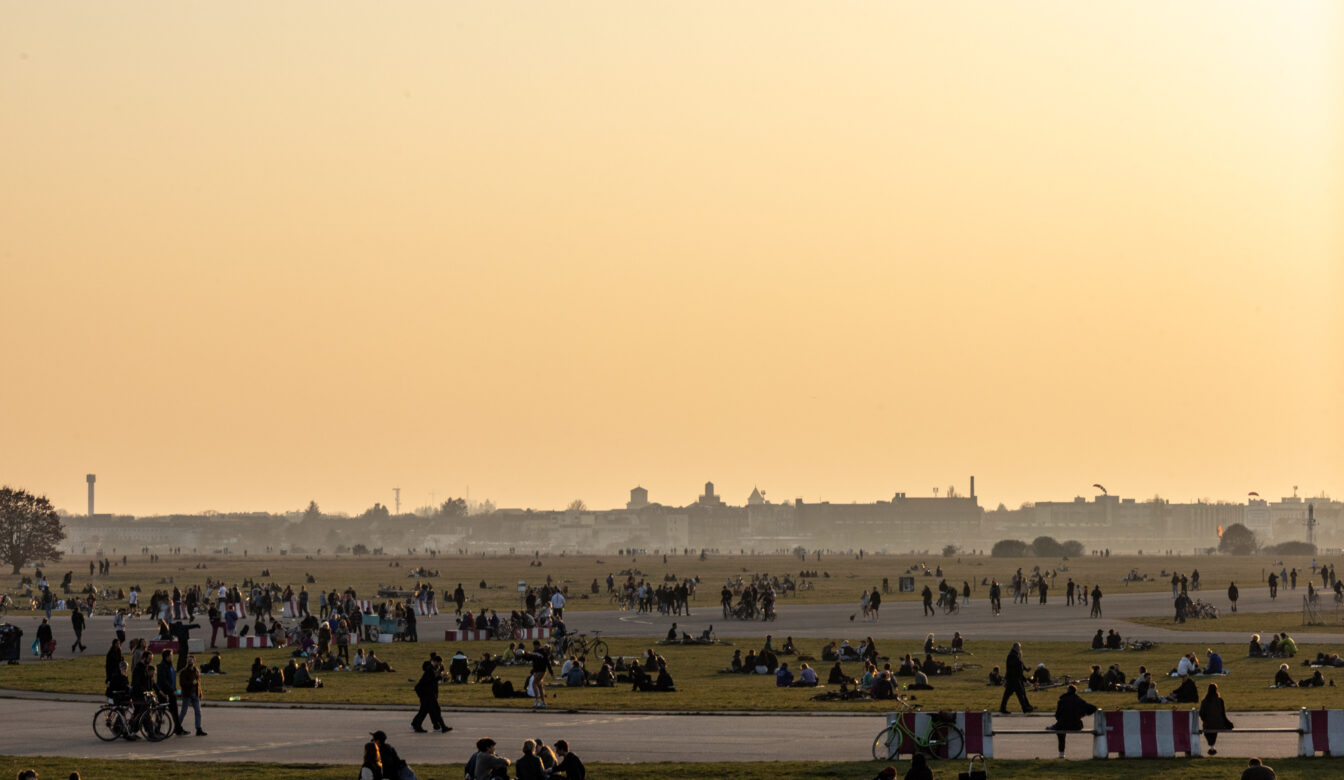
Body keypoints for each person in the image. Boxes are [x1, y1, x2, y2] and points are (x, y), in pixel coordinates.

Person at [1048, 684, 1097, 758]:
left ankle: (1061, 753)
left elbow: (1057, 715)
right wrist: (1083, 714)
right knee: (1062, 726)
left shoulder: (1062, 700)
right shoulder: (1079, 701)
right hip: (1076, 725)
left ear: (1067, 691)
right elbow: (1093, 708)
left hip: (1062, 725)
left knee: (1060, 732)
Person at [156, 650, 189, 736]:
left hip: (171, 692)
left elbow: (172, 680)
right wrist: (172, 690)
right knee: (161, 712)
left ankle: (178, 729)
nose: (172, 657)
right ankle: (156, 730)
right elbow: (163, 681)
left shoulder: (170, 666)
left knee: (174, 711)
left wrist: (175, 689)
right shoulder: (162, 667)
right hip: (165, 693)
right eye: (171, 655)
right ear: (166, 656)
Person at [1199, 682, 1233, 755]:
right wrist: (1228, 723)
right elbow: (1223, 714)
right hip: (1219, 724)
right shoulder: (1220, 700)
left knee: (1208, 729)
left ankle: (1211, 745)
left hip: (1208, 724)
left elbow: (1201, 713)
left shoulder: (1204, 701)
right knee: (1215, 726)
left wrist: (1205, 720)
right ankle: (1212, 746)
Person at [1000, 642, 1034, 714]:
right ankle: (1025, 708)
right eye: (1019, 648)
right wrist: (1023, 676)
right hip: (1014, 679)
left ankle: (1003, 708)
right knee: (1020, 694)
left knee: (1010, 694)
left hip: (1013, 679)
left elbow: (1020, 665)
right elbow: (1017, 667)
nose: (1020, 649)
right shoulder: (1013, 656)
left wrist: (1025, 670)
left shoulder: (1014, 655)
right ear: (1016, 648)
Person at [178, 655, 206, 736]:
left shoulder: (196, 670)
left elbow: (198, 683)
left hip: (195, 694)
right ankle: (177, 726)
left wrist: (200, 693)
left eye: (191, 660)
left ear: (194, 661)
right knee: (184, 711)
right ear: (187, 661)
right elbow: (182, 683)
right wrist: (191, 683)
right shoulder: (184, 672)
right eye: (189, 660)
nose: (190, 662)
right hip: (187, 694)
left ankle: (198, 728)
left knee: (198, 711)